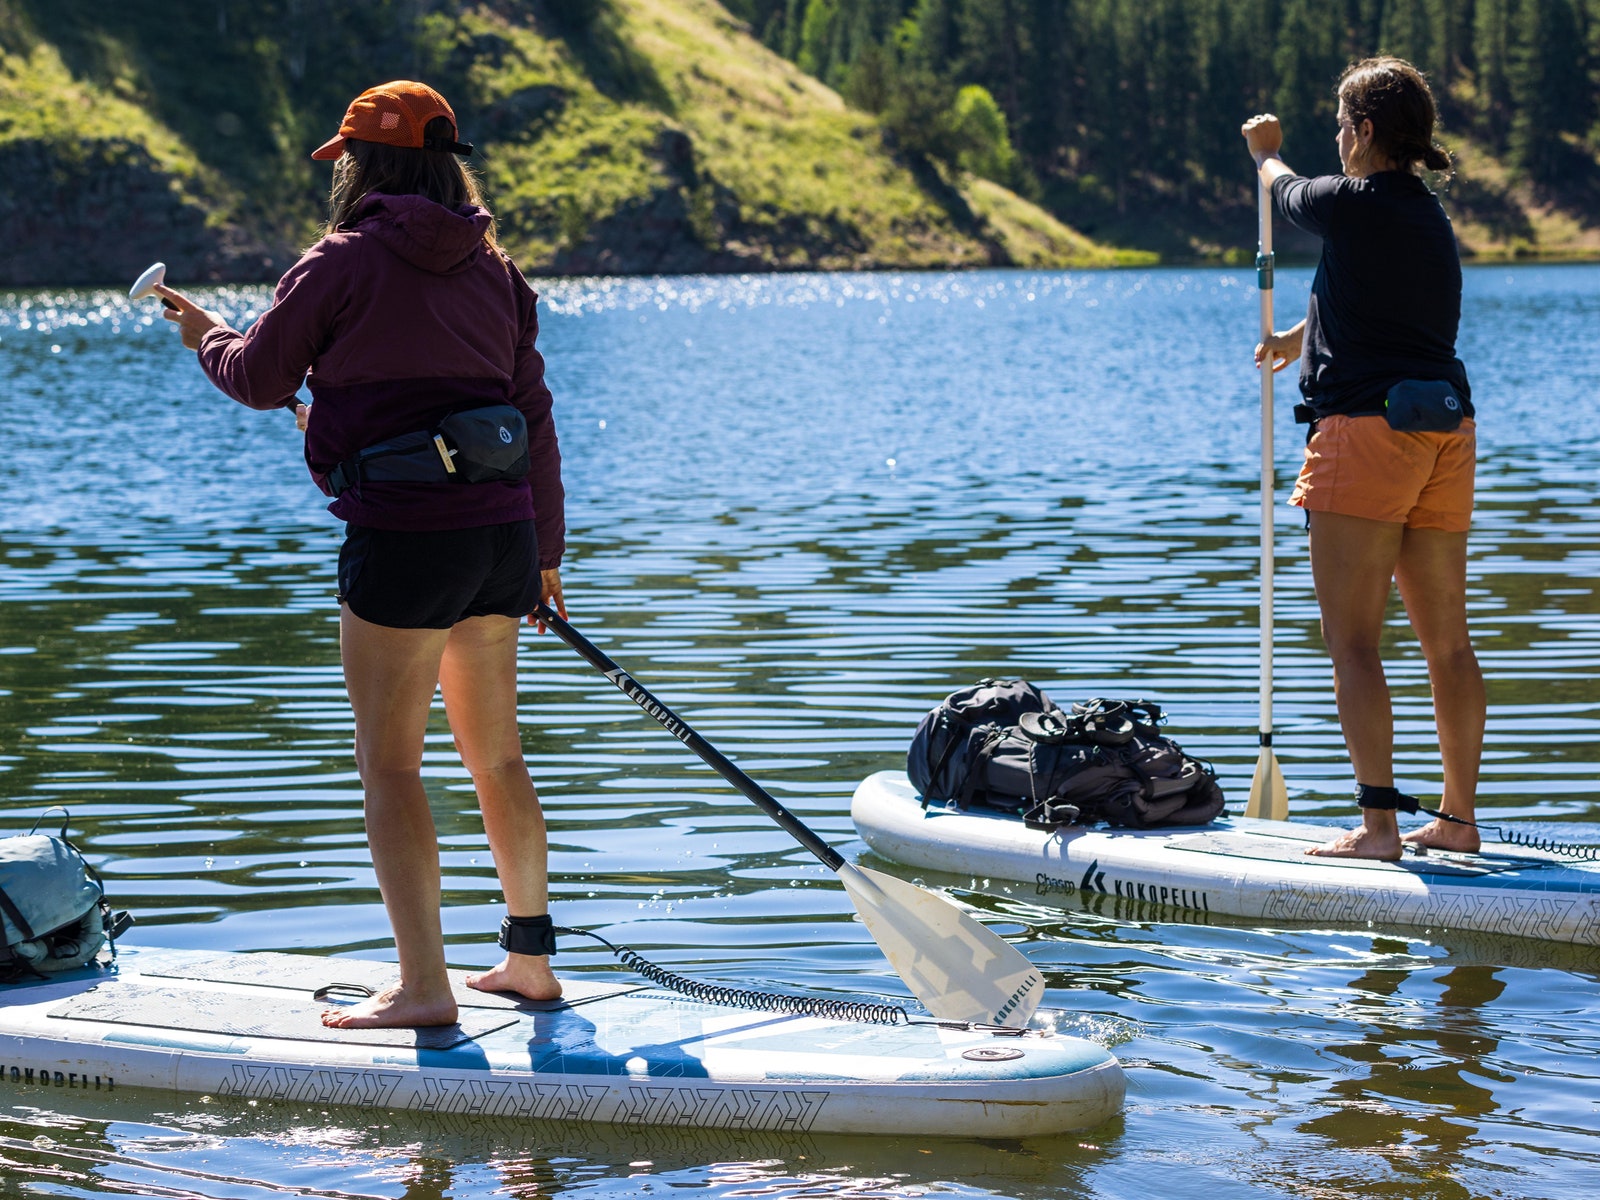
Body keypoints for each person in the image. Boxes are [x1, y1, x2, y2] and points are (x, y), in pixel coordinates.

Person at [157, 81, 566, 1025]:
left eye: (343, 156)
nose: (338, 170)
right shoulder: (496, 272)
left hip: (407, 542)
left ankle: (426, 990)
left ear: (362, 165)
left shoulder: (337, 264)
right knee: (497, 758)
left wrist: (202, 333)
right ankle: (530, 964)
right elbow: (534, 415)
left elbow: (260, 379)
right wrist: (545, 553)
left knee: (391, 766)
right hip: (502, 537)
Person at [1242, 57, 1484, 861]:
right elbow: (1378, 307)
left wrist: (1266, 150)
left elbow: (1283, 189)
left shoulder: (1351, 201)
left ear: (1367, 131)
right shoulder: (1424, 215)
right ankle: (1456, 820)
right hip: (1444, 430)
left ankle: (1379, 828)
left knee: (1353, 642)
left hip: (1364, 436)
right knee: (1447, 640)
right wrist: (1299, 338)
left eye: (1343, 126)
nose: (1339, 139)